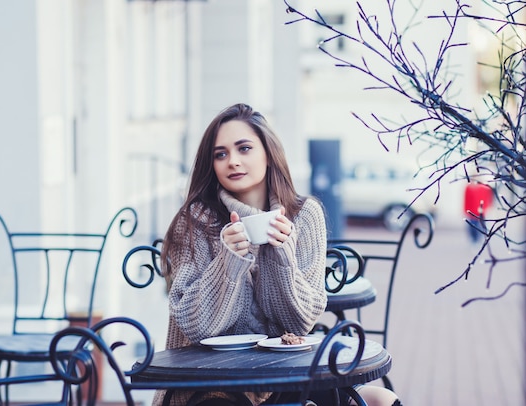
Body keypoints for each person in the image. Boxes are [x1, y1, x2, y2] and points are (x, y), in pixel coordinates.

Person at [156, 103, 400, 406]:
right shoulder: (194, 221)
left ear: (268, 154)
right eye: (221, 154)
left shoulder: (304, 216)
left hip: (284, 379)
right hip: (208, 384)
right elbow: (195, 327)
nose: (232, 161)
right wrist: (228, 262)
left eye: (244, 148)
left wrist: (283, 257)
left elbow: (299, 325)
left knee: (380, 399)